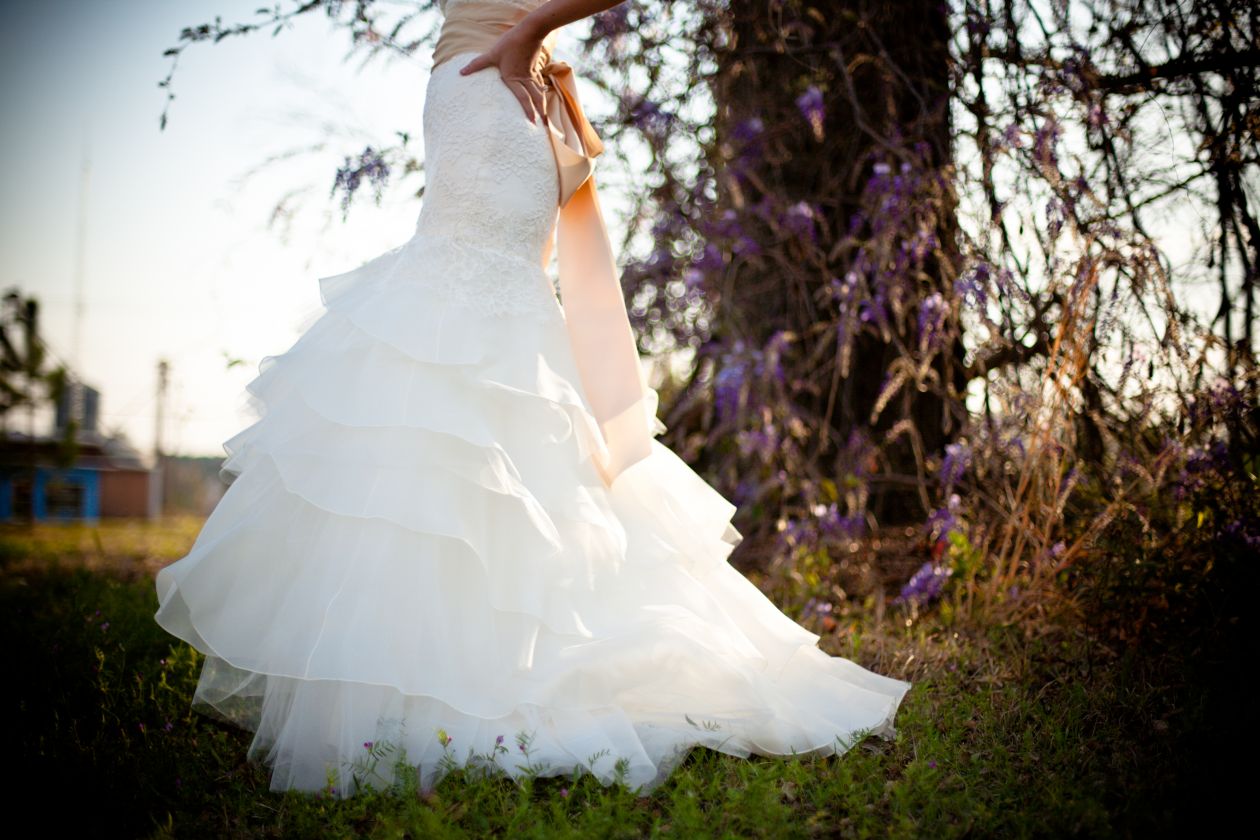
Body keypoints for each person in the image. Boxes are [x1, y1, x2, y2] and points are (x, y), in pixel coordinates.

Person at [153, 0, 910, 798]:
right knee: (462, 335)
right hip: (478, 89)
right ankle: (453, 664)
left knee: (469, 314)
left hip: (497, 88)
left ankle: (466, 681)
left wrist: (524, 34)